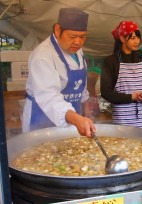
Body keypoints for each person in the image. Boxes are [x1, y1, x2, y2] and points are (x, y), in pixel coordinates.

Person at [22, 7, 95, 137]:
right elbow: (49, 97)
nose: (78, 42)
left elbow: (80, 83)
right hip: (42, 118)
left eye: (82, 37)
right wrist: (77, 119)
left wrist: (86, 106)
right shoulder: (43, 56)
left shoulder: (76, 49)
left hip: (72, 116)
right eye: (72, 36)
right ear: (57, 30)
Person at [100, 20, 142, 129]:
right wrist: (131, 97)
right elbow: (106, 92)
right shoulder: (111, 61)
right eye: (133, 38)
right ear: (122, 38)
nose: (137, 41)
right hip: (123, 120)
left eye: (138, 37)